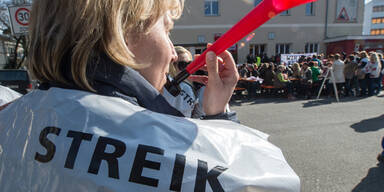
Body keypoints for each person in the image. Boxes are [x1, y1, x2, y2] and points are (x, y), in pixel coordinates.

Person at [0, 0, 300, 191]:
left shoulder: (9, 120)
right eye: (166, 29)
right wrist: (220, 122)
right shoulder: (179, 148)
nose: (172, 52)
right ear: (123, 30)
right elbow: (259, 181)